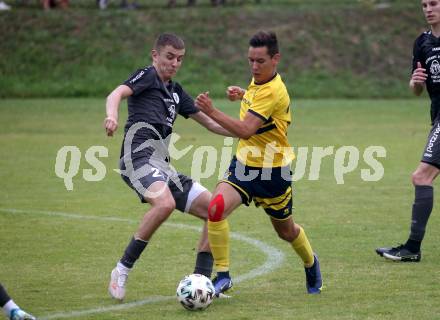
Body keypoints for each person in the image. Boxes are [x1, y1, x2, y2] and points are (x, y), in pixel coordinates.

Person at [104, 33, 233, 301]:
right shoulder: (147, 76)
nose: (174, 63)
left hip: (162, 167)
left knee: (215, 211)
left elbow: (210, 123)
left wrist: (245, 132)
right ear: (155, 55)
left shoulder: (175, 92)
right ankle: (122, 269)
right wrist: (112, 116)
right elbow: (116, 93)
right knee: (164, 204)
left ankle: (201, 282)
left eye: (179, 59)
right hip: (135, 159)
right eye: (169, 57)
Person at [195, 31, 323, 296]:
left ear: (276, 59)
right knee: (216, 208)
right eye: (250, 60)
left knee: (286, 232)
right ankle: (223, 275)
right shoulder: (260, 81)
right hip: (243, 165)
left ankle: (311, 262)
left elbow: (245, 130)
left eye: (260, 61)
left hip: (273, 172)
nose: (254, 66)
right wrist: (243, 95)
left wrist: (211, 110)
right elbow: (259, 108)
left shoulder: (273, 90)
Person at [376, 0, 440, 262]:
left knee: (421, 176)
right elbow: (417, 89)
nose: (427, 8)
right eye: (424, 4)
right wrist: (414, 83)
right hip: (436, 115)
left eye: (433, 3)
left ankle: (412, 248)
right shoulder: (422, 42)